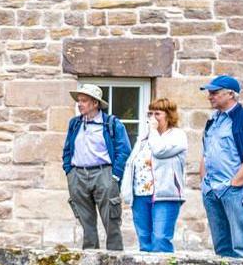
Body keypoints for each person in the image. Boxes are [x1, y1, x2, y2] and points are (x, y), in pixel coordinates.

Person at [198, 76, 243, 259]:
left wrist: (232, 186)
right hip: (212, 190)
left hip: (236, 191)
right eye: (209, 92)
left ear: (230, 94)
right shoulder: (213, 120)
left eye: (214, 92)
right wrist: (205, 184)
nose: (209, 96)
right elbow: (206, 154)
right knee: (222, 250)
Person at [61, 83, 132, 251]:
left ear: (95, 103)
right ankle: (90, 260)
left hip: (104, 173)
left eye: (84, 101)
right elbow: (67, 149)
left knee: (111, 221)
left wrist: (115, 176)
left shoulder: (111, 124)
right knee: (86, 223)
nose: (79, 104)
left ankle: (115, 261)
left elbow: (124, 150)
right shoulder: (74, 124)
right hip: (78, 174)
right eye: (79, 101)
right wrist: (69, 171)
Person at [122, 98, 189, 253]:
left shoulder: (177, 136)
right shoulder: (144, 138)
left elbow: (159, 151)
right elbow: (132, 164)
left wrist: (152, 130)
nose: (152, 118)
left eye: (157, 113)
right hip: (140, 195)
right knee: (144, 241)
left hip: (165, 195)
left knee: (160, 240)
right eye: (149, 114)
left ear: (169, 115)